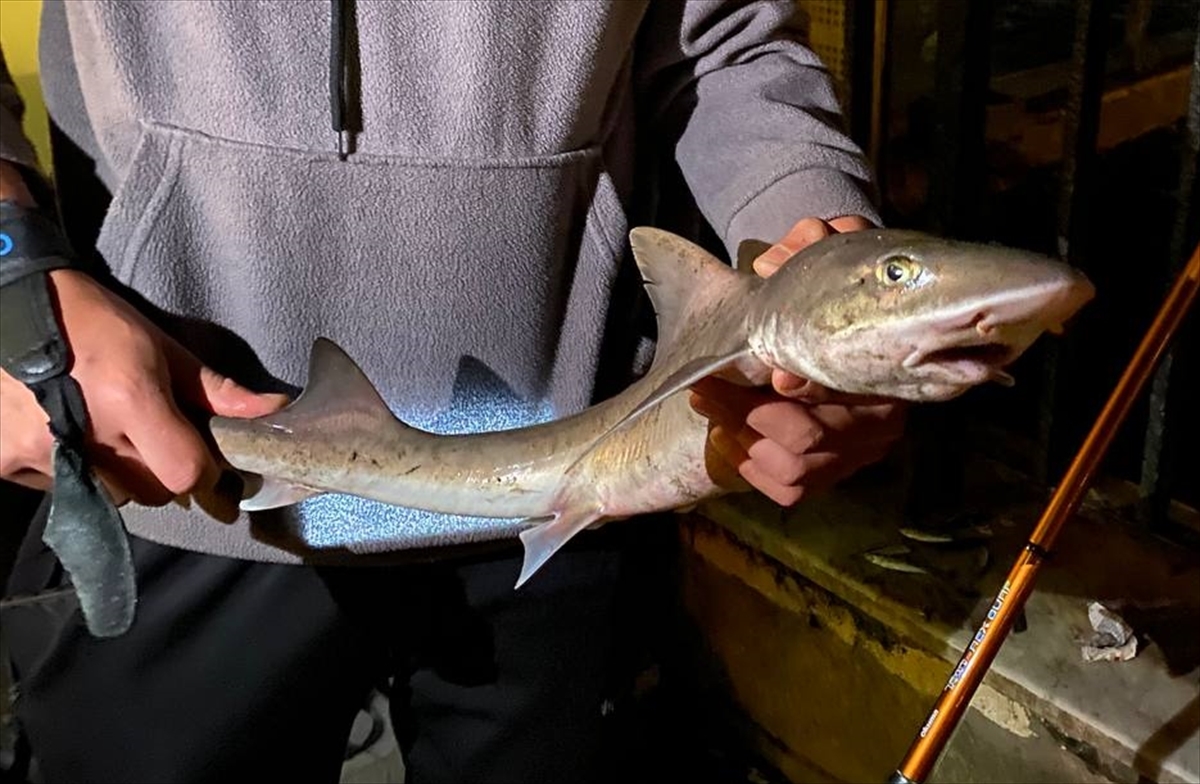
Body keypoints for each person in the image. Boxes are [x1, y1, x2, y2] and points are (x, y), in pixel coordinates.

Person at [0, 1, 905, 782]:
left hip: (566, 489)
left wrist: (822, 262)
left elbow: (726, 43)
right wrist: (7, 268)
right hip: (185, 473)